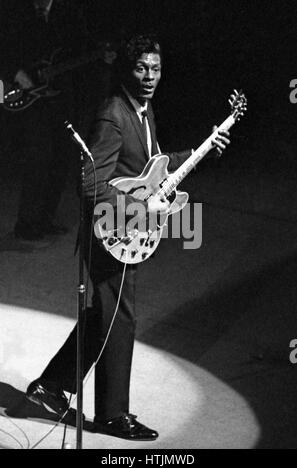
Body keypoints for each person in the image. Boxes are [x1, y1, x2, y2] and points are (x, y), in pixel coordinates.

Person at [25, 34, 230, 441]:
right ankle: (113, 415)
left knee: (103, 315)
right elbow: (93, 187)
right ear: (127, 70)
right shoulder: (112, 115)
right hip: (109, 232)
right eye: (141, 68)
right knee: (119, 318)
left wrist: (201, 150)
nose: (149, 76)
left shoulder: (143, 109)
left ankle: (49, 386)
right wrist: (141, 208)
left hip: (127, 231)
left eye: (155, 68)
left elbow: (151, 165)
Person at [1, 0, 90, 242]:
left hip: (58, 94)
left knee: (61, 155)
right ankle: (26, 223)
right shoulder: (15, 12)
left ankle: (45, 219)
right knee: (39, 155)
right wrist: (15, 72)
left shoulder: (68, 13)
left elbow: (78, 49)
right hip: (28, 97)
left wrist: (102, 57)